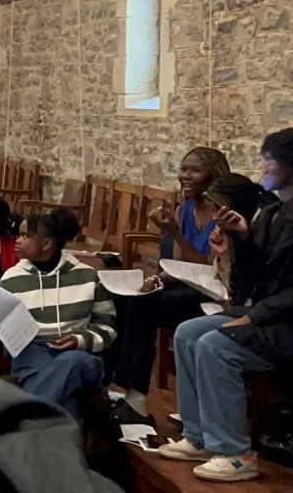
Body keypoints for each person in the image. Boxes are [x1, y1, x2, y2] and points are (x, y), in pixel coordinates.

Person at [158, 129, 293, 483]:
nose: (263, 166)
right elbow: (253, 280)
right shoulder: (273, 212)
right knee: (188, 332)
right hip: (267, 318)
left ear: (292, 166)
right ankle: (198, 437)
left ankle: (234, 452)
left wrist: (253, 314)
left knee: (215, 346)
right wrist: (239, 239)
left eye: (270, 159)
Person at [111, 173, 266, 426]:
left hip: (226, 300)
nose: (184, 175)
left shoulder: (249, 227)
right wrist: (161, 277)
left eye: (193, 170)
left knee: (171, 320)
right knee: (132, 300)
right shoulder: (186, 210)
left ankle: (194, 419)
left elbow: (244, 284)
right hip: (204, 287)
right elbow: (179, 263)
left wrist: (220, 253)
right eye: (183, 168)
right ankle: (127, 393)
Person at [0, 207, 116, 416]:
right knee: (66, 397)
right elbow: (7, 333)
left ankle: (29, 418)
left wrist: (79, 340)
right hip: (33, 352)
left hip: (79, 354)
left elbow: (108, 327)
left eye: (26, 236)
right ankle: (61, 443)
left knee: (70, 362)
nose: (17, 240)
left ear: (46, 244)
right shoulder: (11, 278)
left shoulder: (87, 276)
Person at [149, 147, 231, 263]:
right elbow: (177, 265)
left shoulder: (224, 215)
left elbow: (212, 271)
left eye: (196, 170)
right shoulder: (183, 210)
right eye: (183, 169)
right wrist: (155, 279)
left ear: (214, 176)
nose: (186, 176)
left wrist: (176, 234)